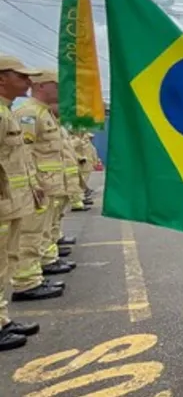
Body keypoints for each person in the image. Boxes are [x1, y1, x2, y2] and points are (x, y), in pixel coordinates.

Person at [11, 69, 72, 304]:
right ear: (41, 86)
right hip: (38, 186)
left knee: (42, 231)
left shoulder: (42, 113)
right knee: (30, 234)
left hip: (49, 184)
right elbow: (24, 152)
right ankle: (26, 283)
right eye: (56, 85)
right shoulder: (28, 114)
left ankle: (37, 272)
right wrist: (33, 183)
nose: (61, 90)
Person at [0, 54, 44, 352]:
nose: (28, 81)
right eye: (21, 76)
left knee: (6, 261)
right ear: (2, 77)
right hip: (4, 203)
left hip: (11, 202)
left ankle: (1, 320)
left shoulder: (7, 112)